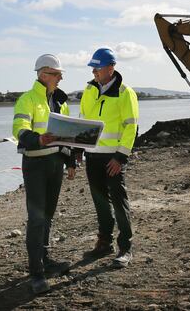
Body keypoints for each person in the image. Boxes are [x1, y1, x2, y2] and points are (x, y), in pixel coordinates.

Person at [12, 54, 77, 295]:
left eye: (61, 74)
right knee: (37, 218)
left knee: (48, 215)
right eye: (57, 74)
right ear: (42, 74)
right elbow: (19, 129)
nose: (60, 78)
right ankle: (36, 272)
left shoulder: (60, 101)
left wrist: (71, 161)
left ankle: (45, 259)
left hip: (55, 164)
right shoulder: (27, 100)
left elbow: (68, 133)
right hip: (35, 165)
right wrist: (37, 139)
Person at [79, 47, 139, 267]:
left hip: (113, 158)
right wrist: (79, 148)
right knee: (100, 202)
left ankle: (126, 248)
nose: (94, 71)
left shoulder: (125, 93)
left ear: (111, 68)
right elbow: (83, 121)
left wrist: (120, 157)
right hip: (92, 156)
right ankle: (104, 243)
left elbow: (131, 128)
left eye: (98, 67)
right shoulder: (89, 90)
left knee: (118, 201)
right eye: (93, 68)